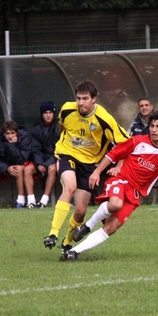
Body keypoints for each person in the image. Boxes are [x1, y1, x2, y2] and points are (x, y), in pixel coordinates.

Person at [62, 111, 158, 261]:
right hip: (121, 180)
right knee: (115, 204)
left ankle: (73, 252)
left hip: (135, 194)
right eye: (152, 126)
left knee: (111, 228)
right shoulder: (137, 141)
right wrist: (96, 172)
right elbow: (113, 154)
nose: (154, 130)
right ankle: (88, 225)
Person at [43, 80, 130, 256]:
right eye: (79, 98)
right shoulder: (67, 109)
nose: (81, 102)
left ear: (94, 99)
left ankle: (67, 243)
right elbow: (62, 126)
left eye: (85, 98)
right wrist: (64, 144)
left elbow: (126, 143)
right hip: (67, 154)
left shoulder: (105, 120)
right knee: (70, 187)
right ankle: (52, 233)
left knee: (81, 211)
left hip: (90, 164)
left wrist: (119, 164)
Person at [0, 120, 33, 209]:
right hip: (4, 165)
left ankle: (20, 201)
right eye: (7, 133)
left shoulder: (24, 137)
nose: (10, 136)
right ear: (3, 133)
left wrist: (12, 145)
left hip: (18, 164)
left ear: (17, 132)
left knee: (18, 168)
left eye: (13, 133)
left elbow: (21, 160)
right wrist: (6, 168)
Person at [25, 101, 60, 208]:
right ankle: (31, 201)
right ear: (42, 114)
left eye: (50, 112)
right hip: (41, 159)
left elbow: (60, 148)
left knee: (52, 168)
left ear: (54, 113)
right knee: (27, 170)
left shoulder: (59, 127)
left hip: (55, 158)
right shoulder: (36, 129)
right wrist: (39, 163)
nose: (48, 115)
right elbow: (35, 149)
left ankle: (44, 201)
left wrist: (47, 163)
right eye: (45, 113)